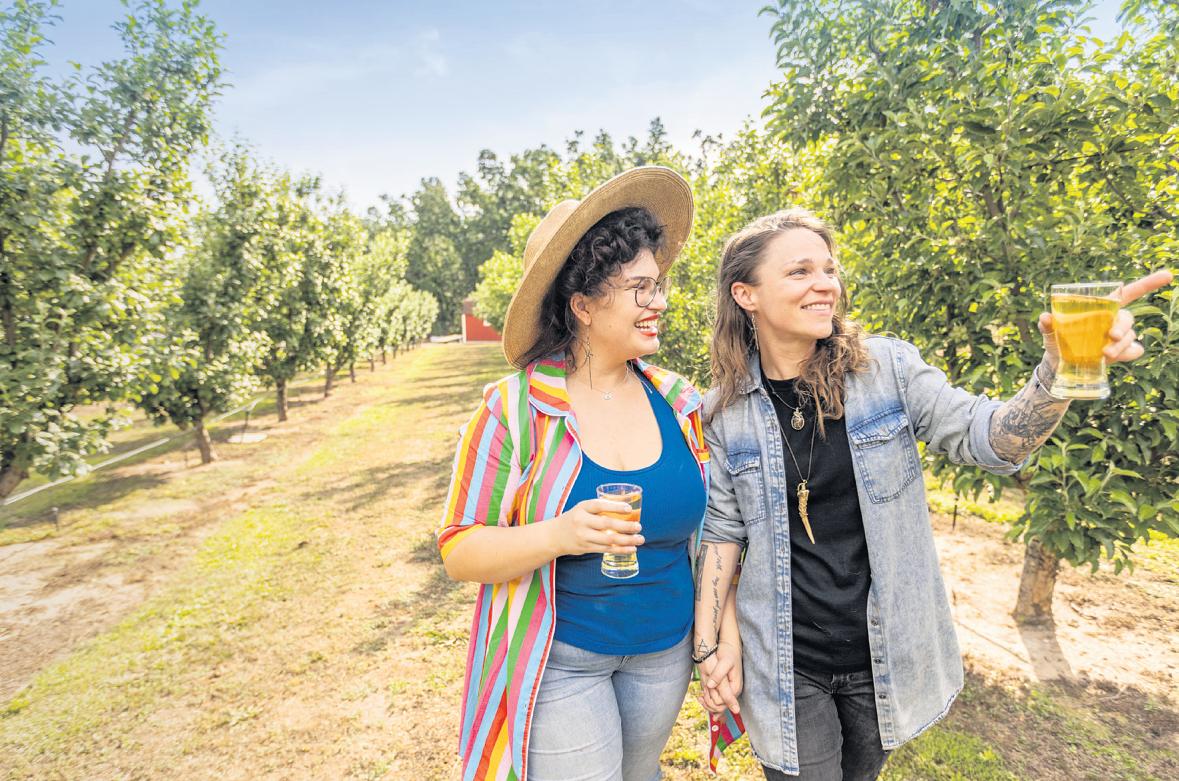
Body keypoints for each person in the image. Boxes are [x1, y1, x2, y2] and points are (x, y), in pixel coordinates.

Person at [690, 208, 1173, 780]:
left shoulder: (886, 370)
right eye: (800, 271)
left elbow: (991, 439)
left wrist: (1061, 369)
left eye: (829, 269)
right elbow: (722, 534)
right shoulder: (725, 411)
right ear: (746, 294)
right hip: (785, 661)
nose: (825, 284)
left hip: (884, 658)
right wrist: (709, 647)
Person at [437, 167, 726, 781]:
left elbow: (716, 532)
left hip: (663, 654)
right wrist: (560, 535)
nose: (660, 302)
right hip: (561, 658)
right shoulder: (514, 410)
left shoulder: (679, 402)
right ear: (583, 305)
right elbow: (459, 549)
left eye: (659, 285)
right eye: (640, 288)